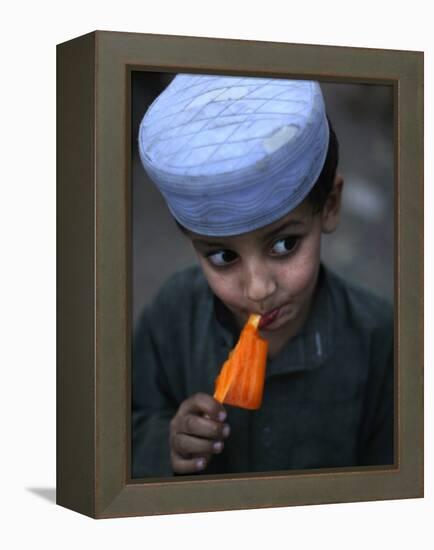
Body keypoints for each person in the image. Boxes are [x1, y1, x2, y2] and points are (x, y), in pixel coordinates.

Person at [132, 74, 394, 478]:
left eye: (285, 245)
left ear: (329, 207)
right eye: (222, 256)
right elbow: (119, 426)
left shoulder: (379, 337)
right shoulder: (171, 316)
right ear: (193, 246)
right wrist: (165, 441)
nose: (258, 289)